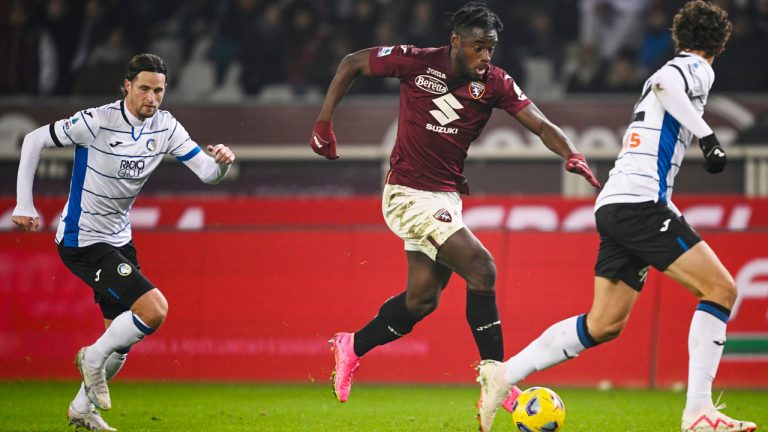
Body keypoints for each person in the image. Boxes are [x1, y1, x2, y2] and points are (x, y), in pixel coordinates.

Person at [475, 2, 757, 432]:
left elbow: (661, 87)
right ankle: (698, 411)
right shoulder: (696, 67)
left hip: (617, 202)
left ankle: (503, 375)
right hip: (641, 202)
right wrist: (709, 138)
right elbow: (666, 82)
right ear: (718, 44)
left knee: (604, 323)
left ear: (681, 35)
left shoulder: (670, 72)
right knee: (721, 289)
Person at [309, 2, 600, 410]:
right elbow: (352, 62)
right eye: (478, 48)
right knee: (482, 269)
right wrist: (324, 123)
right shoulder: (416, 62)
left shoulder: (496, 83)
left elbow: (539, 123)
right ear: (455, 41)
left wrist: (572, 153)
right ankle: (498, 380)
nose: (485, 58)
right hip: (407, 193)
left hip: (445, 197)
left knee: (421, 301)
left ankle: (352, 345)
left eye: (491, 49)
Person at [12, 53, 236, 431]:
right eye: (145, 88)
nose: (152, 97)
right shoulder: (96, 121)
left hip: (119, 239)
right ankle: (91, 357)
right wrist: (23, 203)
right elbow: (34, 139)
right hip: (81, 238)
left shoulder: (165, 127)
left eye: (159, 90)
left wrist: (224, 163)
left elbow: (209, 174)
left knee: (123, 338)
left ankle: (81, 408)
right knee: (154, 310)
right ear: (127, 86)